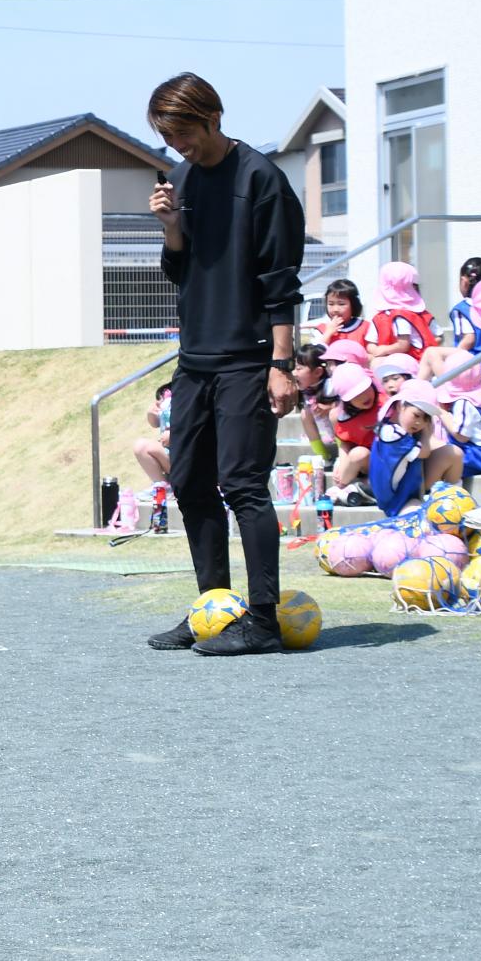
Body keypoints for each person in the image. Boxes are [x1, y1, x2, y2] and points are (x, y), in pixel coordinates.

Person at [142, 74, 306, 657]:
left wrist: (281, 363)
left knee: (242, 484)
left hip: (249, 358)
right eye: (167, 136)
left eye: (182, 132)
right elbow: (179, 270)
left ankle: (262, 621)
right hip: (195, 359)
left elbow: (280, 280)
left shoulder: (261, 179)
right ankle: (214, 610)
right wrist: (171, 226)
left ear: (212, 117)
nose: (177, 144)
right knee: (188, 481)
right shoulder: (181, 179)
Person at [369, 379, 464, 516]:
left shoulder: (405, 430)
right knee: (419, 517)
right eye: (416, 415)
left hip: (410, 488)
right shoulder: (392, 433)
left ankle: (455, 501)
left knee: (453, 453)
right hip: (397, 500)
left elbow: (436, 446)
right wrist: (427, 433)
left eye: (426, 419)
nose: (419, 422)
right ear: (401, 406)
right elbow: (424, 453)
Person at [324, 363, 382, 507]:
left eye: (365, 389)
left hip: (388, 460)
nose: (364, 396)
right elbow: (345, 443)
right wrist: (341, 465)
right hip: (366, 462)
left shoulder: (385, 404)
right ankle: (343, 487)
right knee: (356, 455)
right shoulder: (345, 417)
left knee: (359, 454)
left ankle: (363, 487)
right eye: (356, 395)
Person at [436, 366, 481, 479]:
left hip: (476, 461)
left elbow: (461, 436)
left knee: (436, 456)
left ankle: (433, 487)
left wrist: (441, 412)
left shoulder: (464, 403)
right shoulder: (480, 398)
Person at [368, 261, 440, 359]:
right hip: (419, 360)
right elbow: (439, 336)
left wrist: (382, 350)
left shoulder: (400, 316)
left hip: (408, 361)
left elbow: (403, 345)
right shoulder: (380, 318)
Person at [131, 382, 173, 491]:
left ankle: (165, 488)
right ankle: (162, 487)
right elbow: (155, 423)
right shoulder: (165, 409)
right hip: (171, 456)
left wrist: (175, 434)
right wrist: (151, 413)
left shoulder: (189, 397)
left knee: (142, 445)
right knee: (141, 446)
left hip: (191, 457)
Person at [313, 279, 369, 351]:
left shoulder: (365, 327)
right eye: (331, 304)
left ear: (353, 305)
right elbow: (314, 354)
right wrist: (328, 333)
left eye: (341, 304)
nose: (335, 309)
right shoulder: (321, 329)